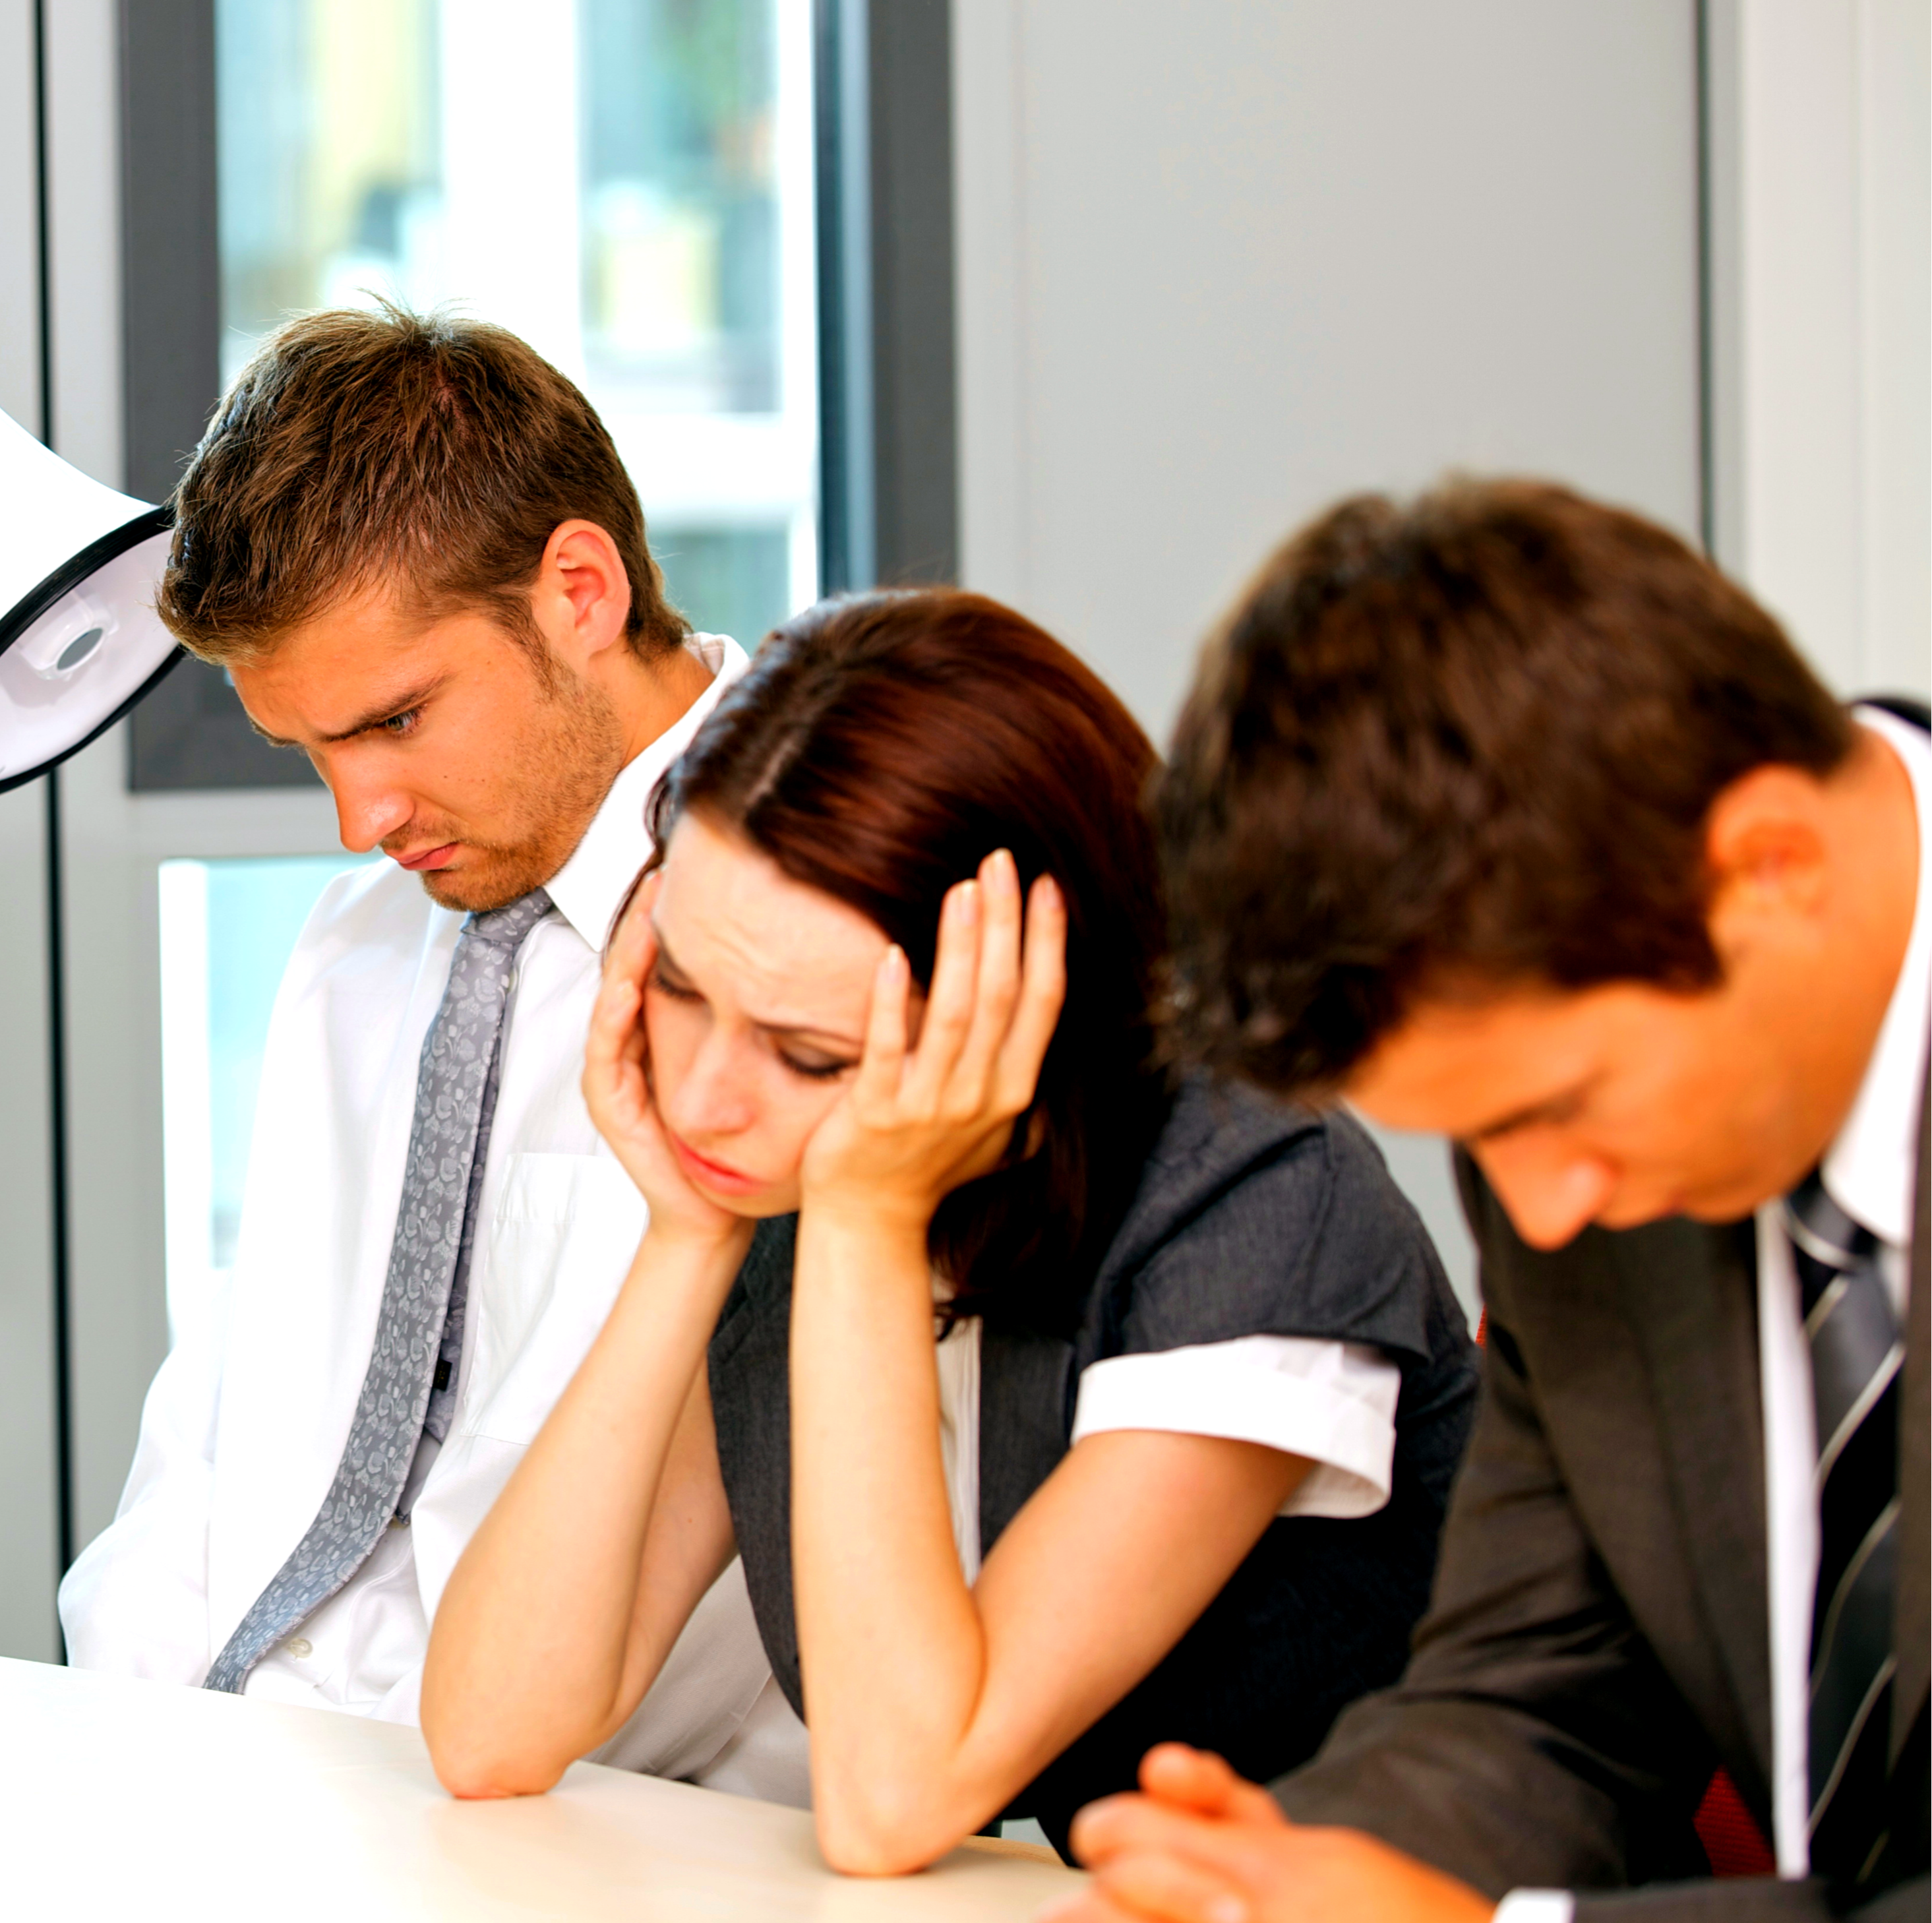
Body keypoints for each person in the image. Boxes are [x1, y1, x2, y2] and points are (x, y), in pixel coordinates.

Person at [419, 590, 1478, 1869]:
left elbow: (891, 1800)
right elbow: (491, 1729)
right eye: (683, 988)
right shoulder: (773, 1184)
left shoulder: (1261, 1202)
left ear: (1025, 1017)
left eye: (810, 1053)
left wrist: (864, 1223)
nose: (701, 1096)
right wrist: (684, 1239)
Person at [1056, 481, 1927, 1921]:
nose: (1543, 1213)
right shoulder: (1568, 1142)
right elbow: (1539, 1691)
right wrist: (1273, 1883)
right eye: (1475, 1138)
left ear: (1770, 869)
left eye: (1552, 1109)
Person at [57, 303, 794, 1792]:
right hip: (247, 1789)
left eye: (396, 719)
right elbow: (226, 1422)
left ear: (578, 589)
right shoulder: (361, 944)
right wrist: (143, 1751)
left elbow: (703, 1601)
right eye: (312, 749)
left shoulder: (802, 938)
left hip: (592, 1822)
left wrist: (349, 1792)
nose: (358, 819)